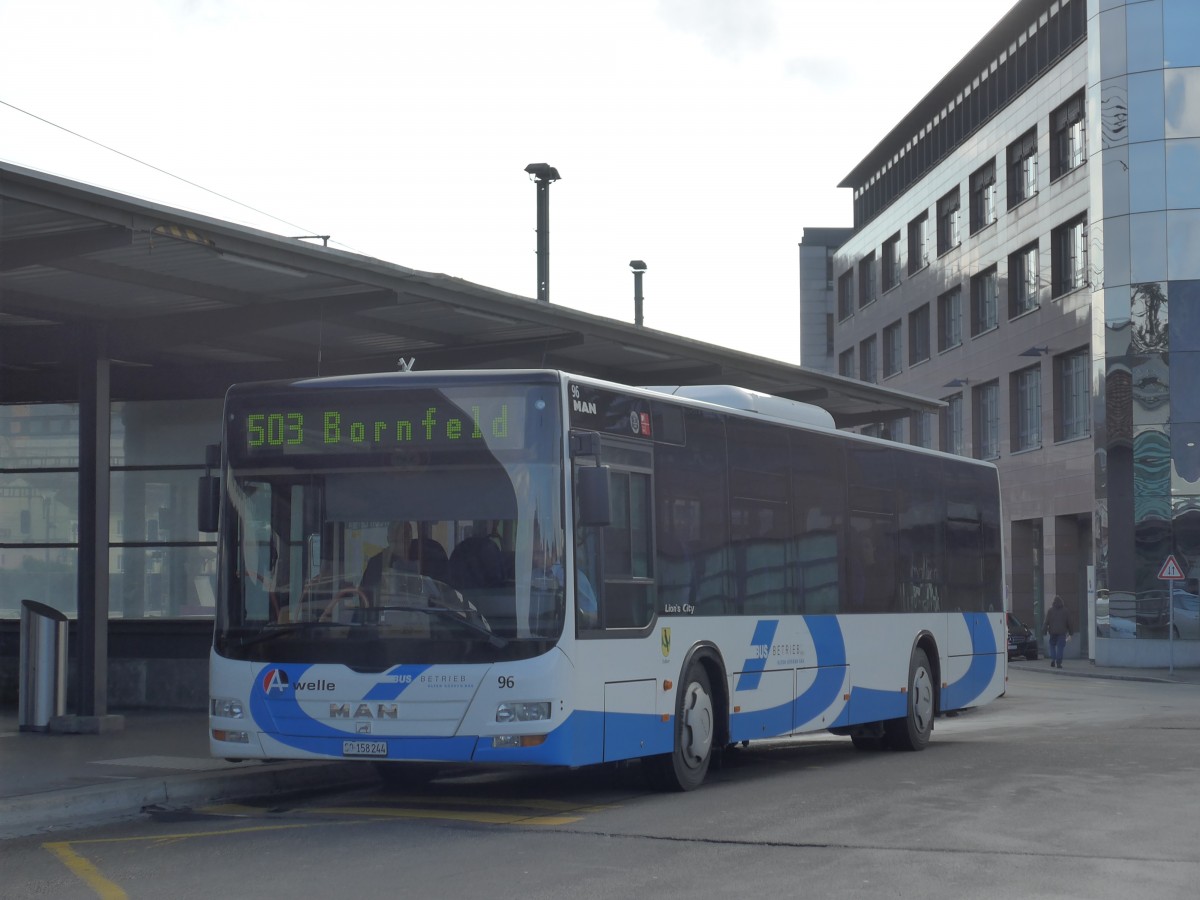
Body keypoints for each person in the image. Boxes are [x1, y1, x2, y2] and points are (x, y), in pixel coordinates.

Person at [359, 522, 416, 601]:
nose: (405, 539)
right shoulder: (377, 564)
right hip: (384, 611)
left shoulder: (423, 559)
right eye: (401, 536)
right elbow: (366, 598)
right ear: (389, 539)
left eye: (408, 535)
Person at [1043, 595, 1073, 668]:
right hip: (1062, 632)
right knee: (1060, 647)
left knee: (1052, 645)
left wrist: (1044, 631)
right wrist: (1071, 632)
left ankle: (1053, 659)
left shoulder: (1050, 610)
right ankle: (1059, 662)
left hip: (1052, 632)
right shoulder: (1065, 611)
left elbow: (1046, 622)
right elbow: (1070, 623)